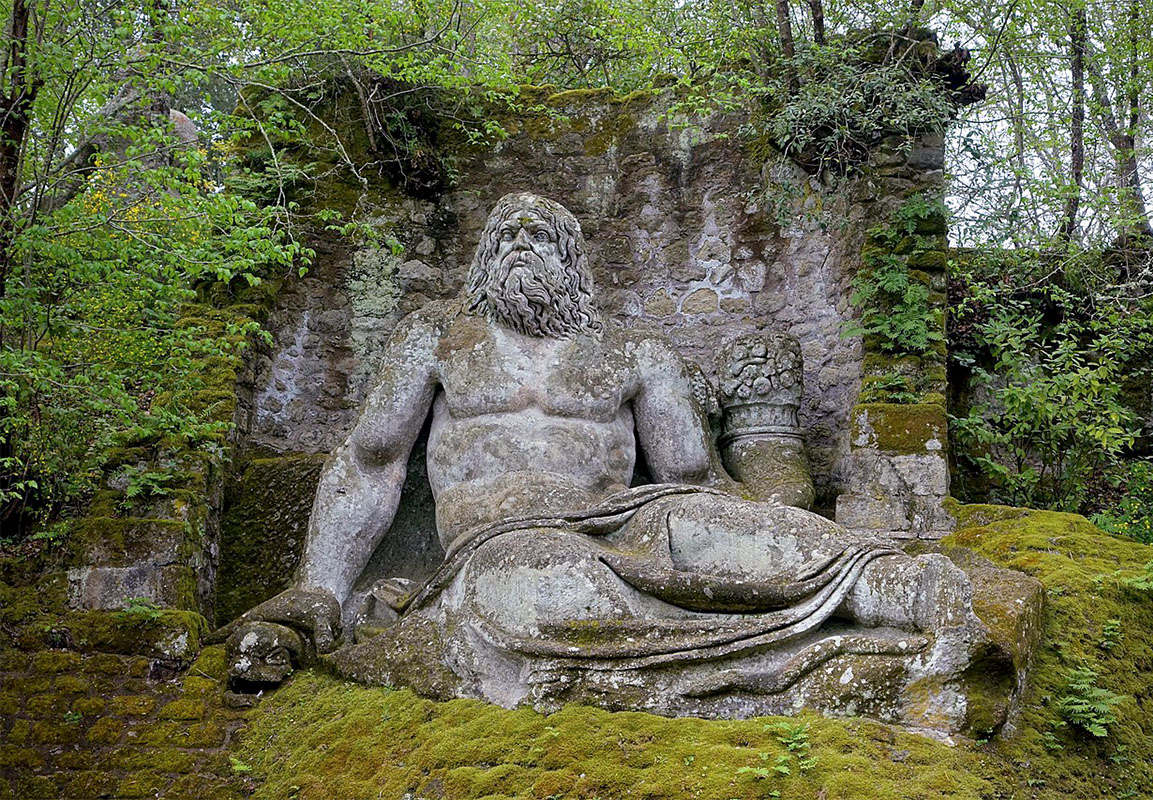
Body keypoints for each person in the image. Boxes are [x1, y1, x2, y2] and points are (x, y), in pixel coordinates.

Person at [222, 193, 984, 724]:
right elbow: (371, 464)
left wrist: (772, 508)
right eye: (506, 235)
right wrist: (318, 591)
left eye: (540, 236)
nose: (521, 245)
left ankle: (921, 598)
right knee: (546, 584)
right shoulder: (440, 337)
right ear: (483, 258)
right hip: (508, 538)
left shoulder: (635, 352)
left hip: (635, 515)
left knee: (764, 540)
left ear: (574, 260)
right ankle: (806, 667)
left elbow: (694, 479)